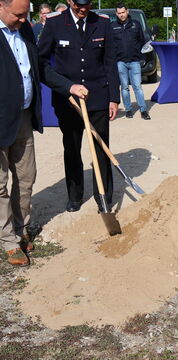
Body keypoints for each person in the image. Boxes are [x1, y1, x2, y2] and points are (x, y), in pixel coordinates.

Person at [38, 0, 120, 213]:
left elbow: (110, 62)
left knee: (101, 148)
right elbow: (42, 63)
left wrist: (114, 97)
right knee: (72, 149)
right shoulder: (55, 23)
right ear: (69, 1)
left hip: (98, 98)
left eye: (87, 4)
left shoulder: (102, 23)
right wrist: (66, 87)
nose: (83, 9)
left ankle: (103, 196)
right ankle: (74, 196)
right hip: (69, 101)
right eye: (78, 5)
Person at [0, 0, 43, 266]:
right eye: (19, 14)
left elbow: (38, 68)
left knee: (26, 177)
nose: (24, 19)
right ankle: (7, 239)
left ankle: (21, 227)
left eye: (26, 13)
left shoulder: (25, 30)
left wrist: (68, 86)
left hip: (23, 117)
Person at [111, 3, 150, 120]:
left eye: (123, 12)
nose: (121, 15)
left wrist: (139, 55)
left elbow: (142, 41)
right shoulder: (112, 26)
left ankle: (143, 110)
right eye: (119, 13)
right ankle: (128, 110)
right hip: (120, 62)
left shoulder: (136, 25)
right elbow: (110, 45)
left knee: (137, 86)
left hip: (134, 61)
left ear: (127, 12)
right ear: (116, 14)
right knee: (124, 87)